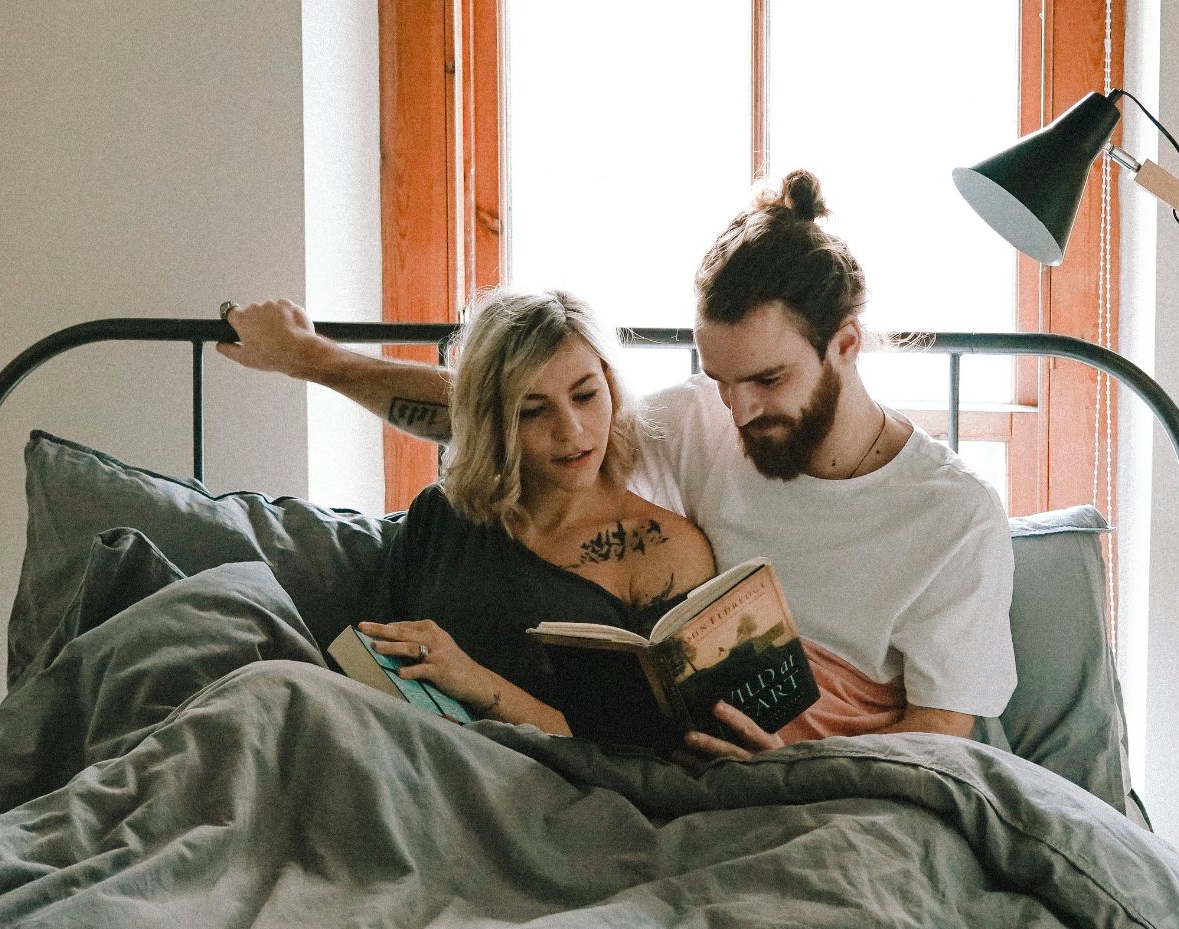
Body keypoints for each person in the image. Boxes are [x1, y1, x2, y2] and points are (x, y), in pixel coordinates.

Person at [221, 170, 1015, 759]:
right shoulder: (702, 424)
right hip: (697, 771)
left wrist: (792, 768)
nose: (740, 410)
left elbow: (939, 737)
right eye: (721, 379)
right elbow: (499, 406)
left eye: (768, 380)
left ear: (844, 344)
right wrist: (310, 358)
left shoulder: (955, 515)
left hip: (843, 783)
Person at [259, 287, 734, 745]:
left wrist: (472, 680)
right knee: (264, 685)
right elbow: (366, 668)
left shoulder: (665, 552)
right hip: (406, 751)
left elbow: (654, 755)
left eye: (585, 396)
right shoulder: (443, 514)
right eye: (533, 410)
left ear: (610, 387)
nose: (570, 430)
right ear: (492, 419)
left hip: (549, 784)